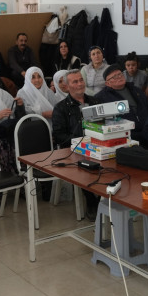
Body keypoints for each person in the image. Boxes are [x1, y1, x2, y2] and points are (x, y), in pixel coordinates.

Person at [51, 69, 99, 217]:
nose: (79, 84)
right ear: (67, 86)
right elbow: (59, 136)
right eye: (75, 81)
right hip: (74, 149)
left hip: (97, 145)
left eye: (81, 80)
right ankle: (92, 201)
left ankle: (109, 197)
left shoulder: (94, 102)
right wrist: (79, 142)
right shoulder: (60, 108)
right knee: (84, 164)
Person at [94, 64, 148, 147]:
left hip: (147, 134)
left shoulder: (136, 90)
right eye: (114, 77)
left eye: (120, 74)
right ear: (108, 83)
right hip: (124, 139)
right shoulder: (100, 98)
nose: (119, 77)